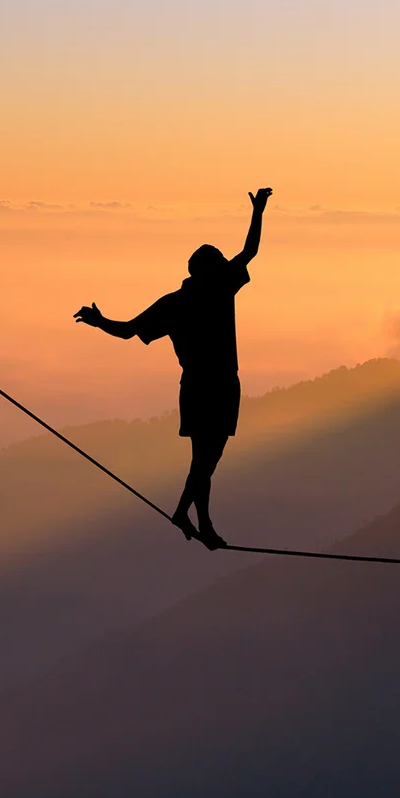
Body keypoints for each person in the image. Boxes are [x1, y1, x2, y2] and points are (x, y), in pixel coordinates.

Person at [73, 188, 272, 549]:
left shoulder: (176, 303)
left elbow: (130, 330)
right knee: (207, 461)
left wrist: (99, 321)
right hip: (220, 386)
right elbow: (250, 252)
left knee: (204, 460)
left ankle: (203, 522)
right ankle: (186, 513)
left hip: (197, 387)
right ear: (211, 270)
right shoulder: (219, 290)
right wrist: (258, 212)